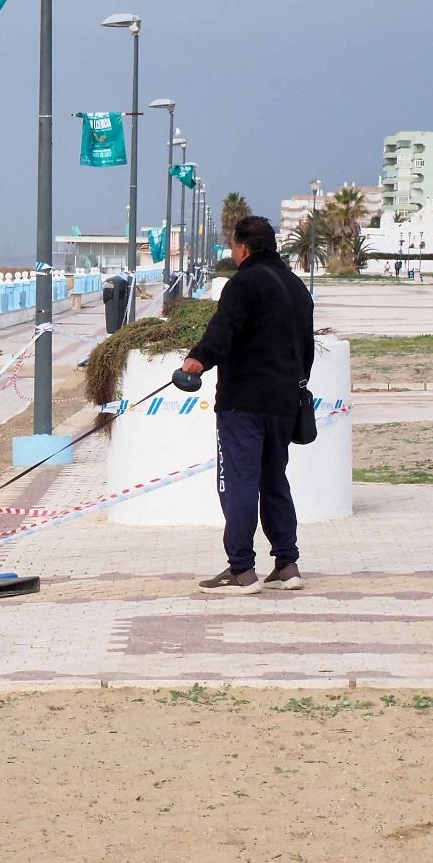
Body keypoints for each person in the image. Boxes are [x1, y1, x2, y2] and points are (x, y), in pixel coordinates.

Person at [181, 215, 314, 594]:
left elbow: (223, 328)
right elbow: (307, 350)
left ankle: (242, 569)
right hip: (284, 402)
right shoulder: (297, 288)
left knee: (239, 483)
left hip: (243, 404)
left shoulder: (243, 284)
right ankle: (287, 565)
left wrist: (197, 360)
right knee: (275, 480)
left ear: (243, 248)